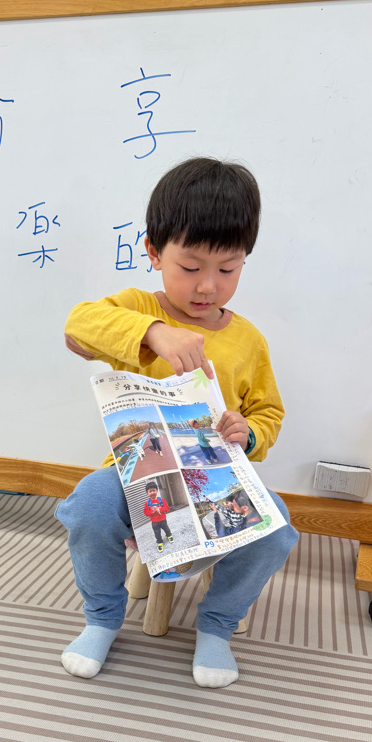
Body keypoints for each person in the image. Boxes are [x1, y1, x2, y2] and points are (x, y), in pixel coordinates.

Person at [56, 156, 299, 688]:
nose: (208, 285)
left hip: (216, 482)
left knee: (278, 528)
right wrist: (152, 332)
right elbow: (78, 326)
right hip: (138, 476)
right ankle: (102, 617)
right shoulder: (138, 307)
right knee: (88, 504)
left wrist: (249, 433)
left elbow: (269, 411)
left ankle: (217, 626)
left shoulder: (248, 339)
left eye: (228, 269)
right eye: (190, 267)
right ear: (153, 252)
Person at [142, 481, 175, 552]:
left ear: (157, 491)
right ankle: (159, 542)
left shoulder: (161, 500)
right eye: (150, 491)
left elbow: (167, 508)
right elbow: (145, 512)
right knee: (157, 533)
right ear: (147, 493)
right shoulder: (147, 503)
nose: (152, 492)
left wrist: (159, 509)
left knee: (166, 529)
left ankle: (169, 535)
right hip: (154, 522)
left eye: (154, 490)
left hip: (163, 520)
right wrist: (152, 512)